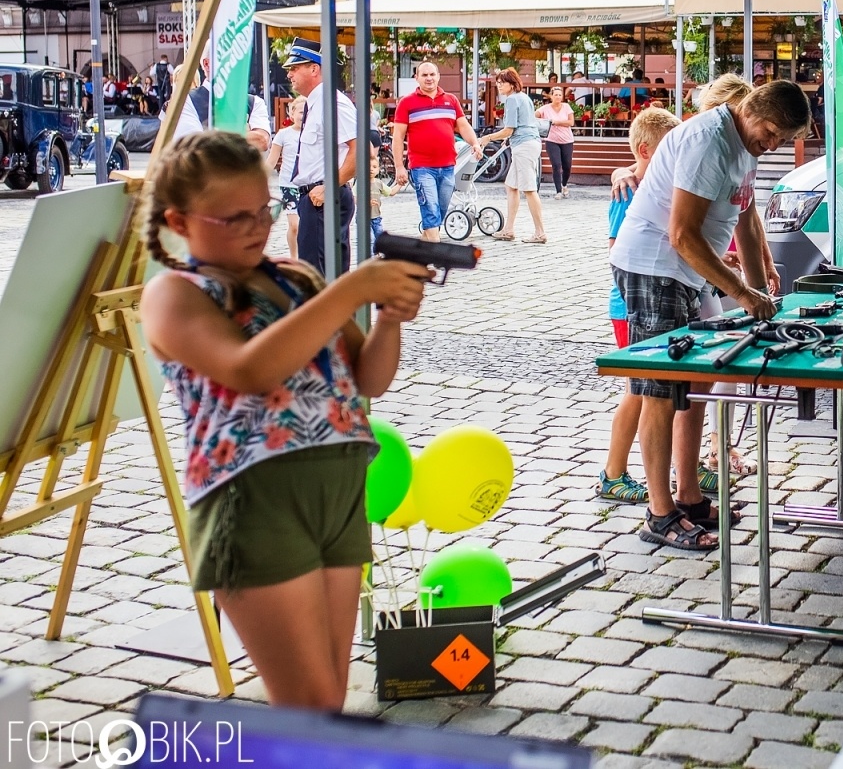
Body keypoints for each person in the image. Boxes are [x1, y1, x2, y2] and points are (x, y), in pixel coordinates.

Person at [139, 130, 431, 709]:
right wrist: (349, 289)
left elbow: (367, 381)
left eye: (265, 209)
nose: (257, 226)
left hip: (337, 493)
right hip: (252, 501)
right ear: (180, 220)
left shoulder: (294, 278)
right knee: (310, 703)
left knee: (329, 699)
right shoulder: (175, 294)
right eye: (234, 217)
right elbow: (249, 369)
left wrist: (389, 321)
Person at [609, 81, 810, 550]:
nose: (773, 145)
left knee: (695, 388)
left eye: (782, 139)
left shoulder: (743, 143)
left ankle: (690, 495)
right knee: (660, 390)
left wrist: (760, 291)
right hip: (655, 267)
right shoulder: (708, 142)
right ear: (752, 112)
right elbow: (682, 234)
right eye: (772, 134)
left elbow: (746, 217)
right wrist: (742, 292)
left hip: (687, 274)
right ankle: (660, 515)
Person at [598, 107, 682, 503]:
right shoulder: (627, 190)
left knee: (643, 389)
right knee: (637, 390)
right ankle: (613, 472)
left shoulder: (652, 184)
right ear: (646, 150)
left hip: (649, 295)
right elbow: (618, 250)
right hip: (629, 304)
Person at [282, 41, 359, 276]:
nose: (289, 74)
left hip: (324, 197)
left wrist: (328, 186)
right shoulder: (317, 103)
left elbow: (360, 151)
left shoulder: (332, 103)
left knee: (319, 277)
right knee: (324, 275)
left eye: (295, 68)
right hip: (316, 198)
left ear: (314, 69)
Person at [391, 61, 482, 242]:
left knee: (439, 210)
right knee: (430, 209)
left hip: (448, 166)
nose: (429, 78)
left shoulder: (451, 100)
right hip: (422, 167)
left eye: (432, 74)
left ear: (438, 76)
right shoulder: (407, 103)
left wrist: (475, 143)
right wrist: (399, 166)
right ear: (416, 78)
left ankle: (424, 243)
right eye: (424, 75)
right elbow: (398, 136)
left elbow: (463, 126)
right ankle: (435, 251)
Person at [478, 68, 548, 245]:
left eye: (502, 82)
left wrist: (488, 137)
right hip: (528, 143)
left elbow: (509, 129)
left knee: (529, 189)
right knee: (511, 186)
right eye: (498, 83)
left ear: (512, 84)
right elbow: (522, 124)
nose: (499, 85)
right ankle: (508, 229)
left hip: (524, 146)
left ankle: (540, 233)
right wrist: (508, 139)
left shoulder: (511, 100)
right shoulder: (524, 98)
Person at [170, 53, 272, 151]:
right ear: (206, 64)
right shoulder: (186, 100)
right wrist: (243, 133)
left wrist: (210, 133)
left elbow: (262, 141)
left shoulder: (254, 102)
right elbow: (191, 147)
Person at [266, 96, 307, 260]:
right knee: (295, 225)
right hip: (288, 184)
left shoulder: (316, 133)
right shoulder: (283, 134)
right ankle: (294, 256)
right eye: (300, 112)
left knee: (308, 225)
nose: (303, 116)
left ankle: (307, 256)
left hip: (309, 184)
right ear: (292, 114)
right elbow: (272, 160)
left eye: (307, 112)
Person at [537, 86, 576, 198]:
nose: (558, 97)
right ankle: (558, 191)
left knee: (567, 166)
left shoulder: (566, 107)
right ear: (551, 96)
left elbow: (571, 122)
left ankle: (564, 185)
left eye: (560, 95)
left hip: (567, 140)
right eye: (556, 95)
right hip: (551, 140)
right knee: (556, 165)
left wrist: (556, 122)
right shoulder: (545, 108)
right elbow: (535, 115)